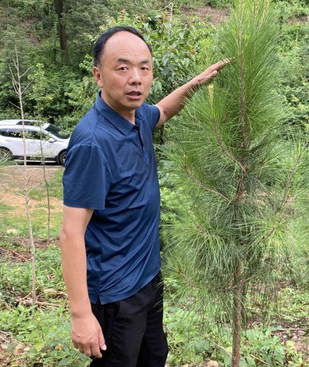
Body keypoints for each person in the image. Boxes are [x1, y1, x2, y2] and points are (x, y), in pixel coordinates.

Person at [60, 26, 229, 367]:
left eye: (144, 68)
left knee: (154, 357)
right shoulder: (94, 141)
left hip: (148, 278)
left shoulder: (138, 119)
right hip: (115, 292)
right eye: (122, 68)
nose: (135, 78)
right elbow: (70, 232)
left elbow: (163, 111)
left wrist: (197, 84)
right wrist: (81, 315)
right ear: (98, 75)